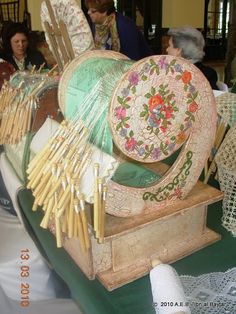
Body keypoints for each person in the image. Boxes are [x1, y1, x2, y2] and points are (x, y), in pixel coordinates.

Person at [84, 0, 153, 60]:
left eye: (93, 11)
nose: (88, 12)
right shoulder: (96, 25)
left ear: (104, 11)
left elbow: (131, 58)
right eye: (88, 9)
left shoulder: (125, 26)